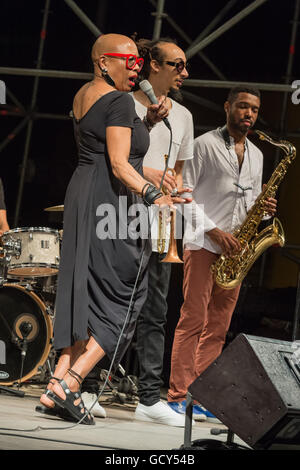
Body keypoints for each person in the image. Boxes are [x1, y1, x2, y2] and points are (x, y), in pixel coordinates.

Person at [36, 33, 186, 425]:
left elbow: (107, 153)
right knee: (125, 297)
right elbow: (120, 165)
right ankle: (72, 382)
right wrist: (154, 195)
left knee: (85, 292)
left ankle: (54, 386)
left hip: (84, 193)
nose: (137, 68)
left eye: (140, 62)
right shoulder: (120, 100)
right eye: (130, 61)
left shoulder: (86, 94)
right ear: (105, 62)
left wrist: (148, 123)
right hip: (112, 203)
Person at [167, 86, 277, 422]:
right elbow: (184, 197)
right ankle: (178, 394)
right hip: (204, 243)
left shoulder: (257, 155)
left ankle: (204, 394)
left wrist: (265, 210)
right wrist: (215, 231)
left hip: (236, 251)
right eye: (243, 107)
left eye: (254, 110)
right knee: (193, 320)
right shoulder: (203, 145)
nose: (249, 114)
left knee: (217, 326)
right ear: (228, 107)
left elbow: (250, 201)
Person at [129, 38, 197, 427]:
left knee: (156, 310)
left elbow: (180, 169)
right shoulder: (125, 103)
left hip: (162, 216)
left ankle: (149, 397)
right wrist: (148, 177)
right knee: (117, 302)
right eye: (177, 65)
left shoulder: (184, 117)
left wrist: (178, 191)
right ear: (152, 65)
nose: (184, 73)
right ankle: (87, 384)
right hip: (122, 211)